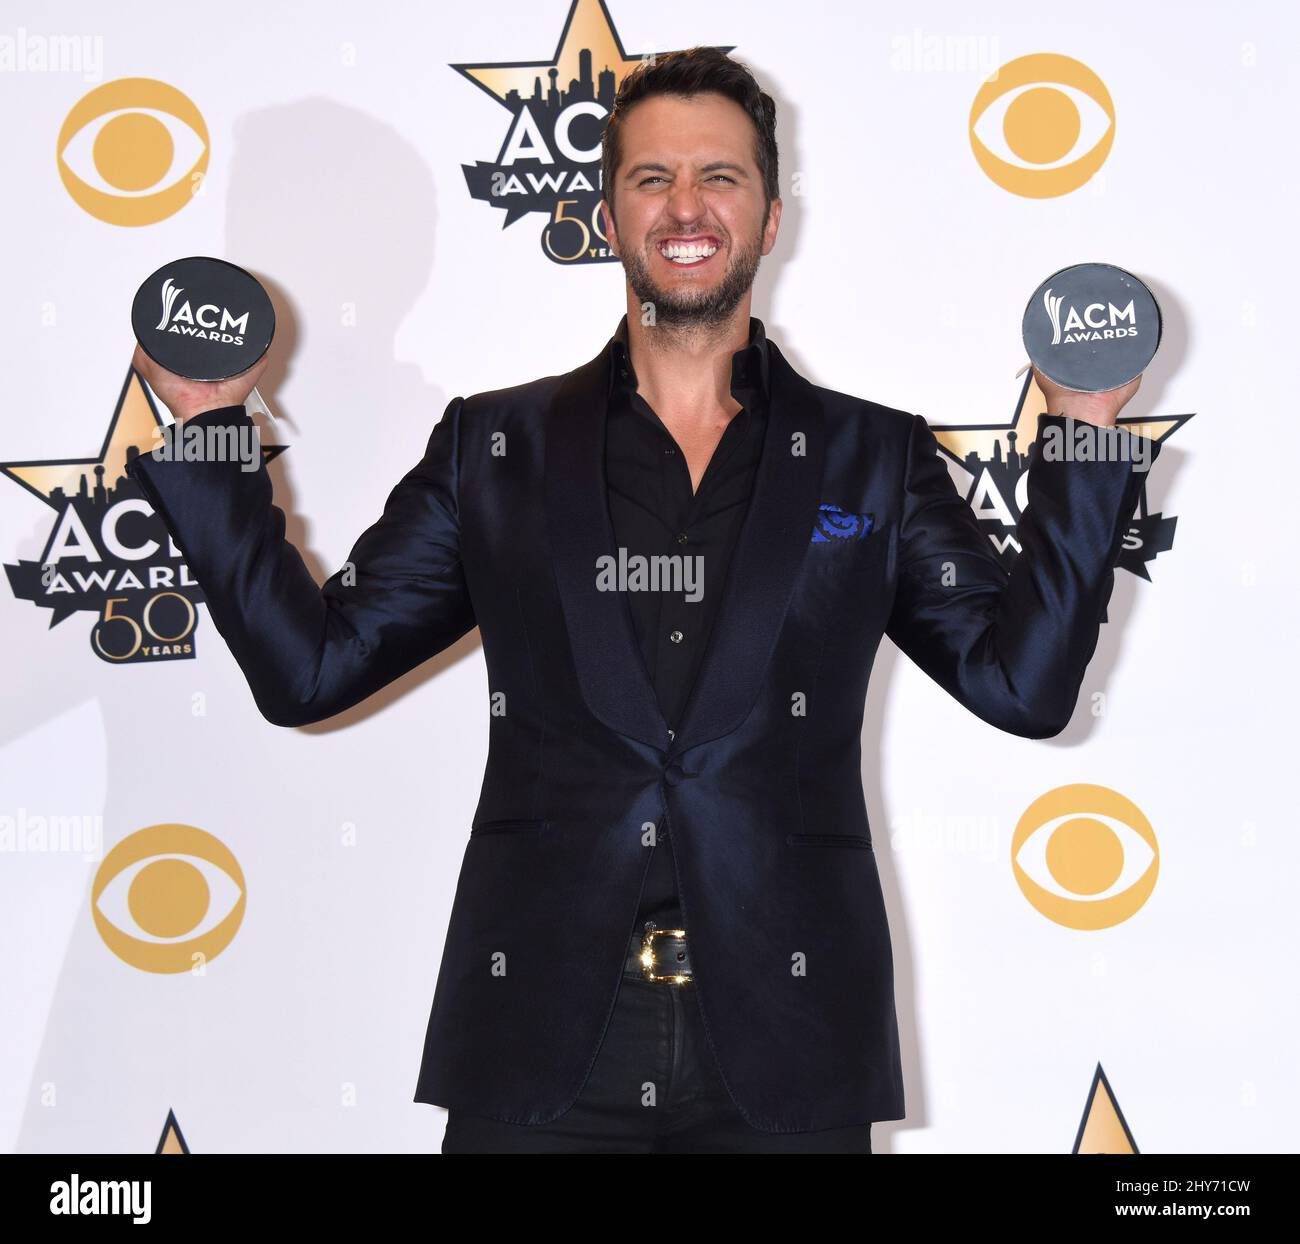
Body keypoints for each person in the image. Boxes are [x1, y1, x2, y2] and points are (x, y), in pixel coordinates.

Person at [126, 47, 1158, 1153]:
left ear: (769, 218)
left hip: (788, 1041)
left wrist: (1084, 433)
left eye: (721, 177)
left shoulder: (872, 457)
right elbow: (311, 671)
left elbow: (1025, 686)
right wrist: (206, 431)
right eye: (650, 178)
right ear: (606, 216)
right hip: (543, 1040)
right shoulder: (495, 448)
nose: (686, 206)